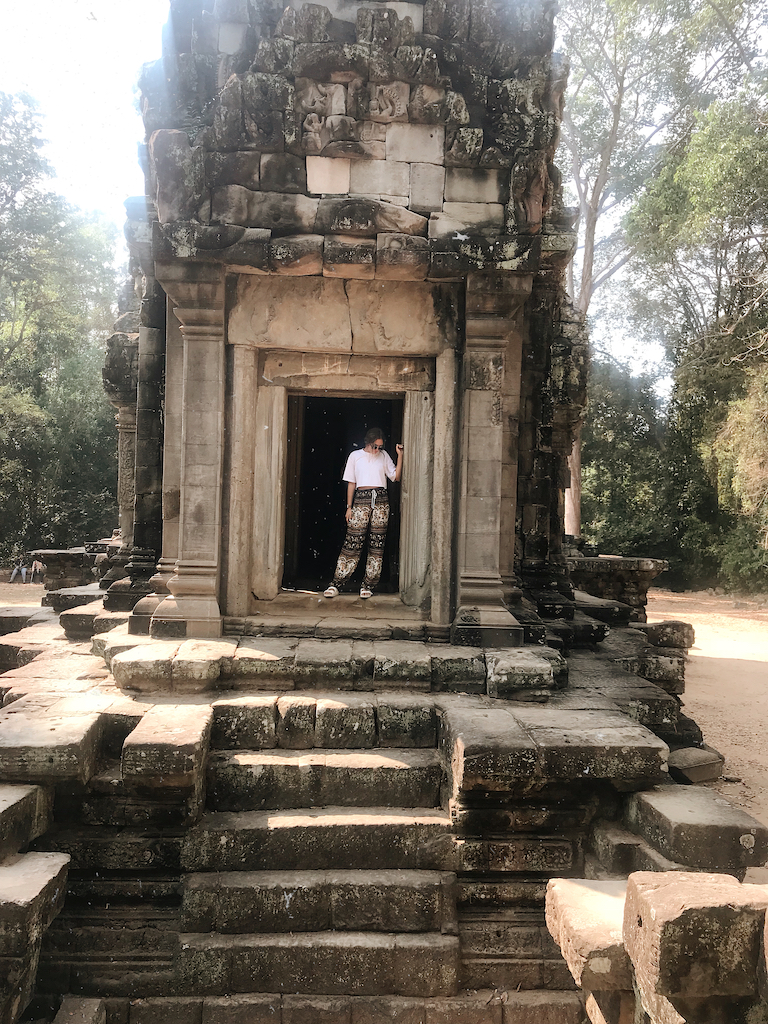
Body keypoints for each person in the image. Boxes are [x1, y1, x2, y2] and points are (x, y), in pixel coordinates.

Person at [324, 427, 404, 599]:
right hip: (360, 498)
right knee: (353, 540)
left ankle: (368, 584)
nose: (378, 450)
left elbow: (395, 477)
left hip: (381, 499)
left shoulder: (383, 456)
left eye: (381, 447)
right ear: (368, 443)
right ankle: (337, 582)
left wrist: (400, 455)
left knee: (377, 543)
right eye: (375, 446)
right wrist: (349, 506)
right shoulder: (355, 456)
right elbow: (351, 483)